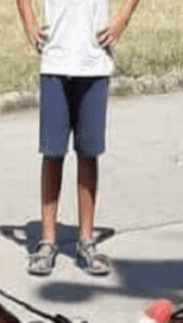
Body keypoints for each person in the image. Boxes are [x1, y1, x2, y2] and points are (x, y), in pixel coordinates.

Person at [15, 0, 142, 277]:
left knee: (88, 153)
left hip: (94, 63)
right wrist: (29, 23)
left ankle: (86, 240)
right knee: (52, 153)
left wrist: (122, 20)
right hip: (55, 62)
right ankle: (47, 241)